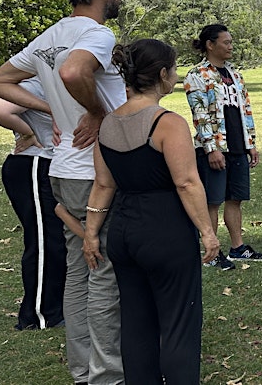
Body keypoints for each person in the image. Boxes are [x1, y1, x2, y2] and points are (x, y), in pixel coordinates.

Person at [0, 0, 127, 384]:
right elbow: (74, 70)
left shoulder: (49, 36)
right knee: (102, 272)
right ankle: (106, 375)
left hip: (63, 168)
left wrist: (51, 108)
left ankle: (83, 370)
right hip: (95, 171)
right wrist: (98, 112)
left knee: (79, 270)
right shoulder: (95, 33)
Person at [82, 38, 220, 383]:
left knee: (136, 322)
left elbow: (103, 184)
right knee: (178, 323)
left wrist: (91, 233)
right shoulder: (168, 123)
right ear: (162, 74)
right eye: (173, 69)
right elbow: (187, 182)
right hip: (165, 229)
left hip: (124, 231)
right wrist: (207, 231)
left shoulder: (107, 123)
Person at [184, 23, 262, 270]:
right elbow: (200, 116)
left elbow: (246, 110)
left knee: (235, 198)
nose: (231, 46)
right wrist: (212, 149)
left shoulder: (235, 74)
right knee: (213, 200)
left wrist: (250, 143)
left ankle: (238, 247)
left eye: (231, 42)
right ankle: (212, 251)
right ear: (210, 45)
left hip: (238, 146)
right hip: (215, 149)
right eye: (226, 42)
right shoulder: (196, 76)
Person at [0, 78, 66, 330]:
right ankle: (39, 315)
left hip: (46, 166)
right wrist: (28, 132)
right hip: (33, 165)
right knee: (44, 243)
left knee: (55, 240)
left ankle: (55, 306)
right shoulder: (34, 84)